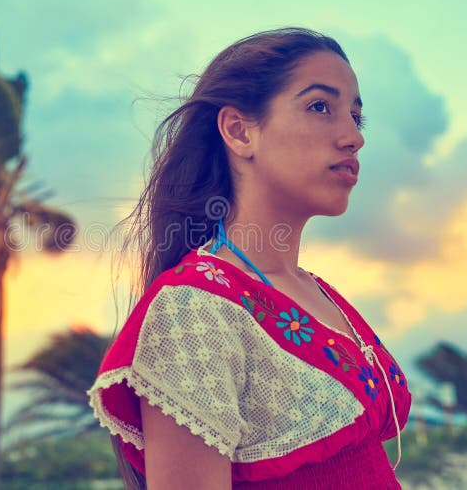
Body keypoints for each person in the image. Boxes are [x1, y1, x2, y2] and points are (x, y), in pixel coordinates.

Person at [87, 27, 413, 489]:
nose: (352, 138)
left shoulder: (319, 293)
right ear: (240, 132)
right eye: (320, 107)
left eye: (356, 118)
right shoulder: (192, 310)